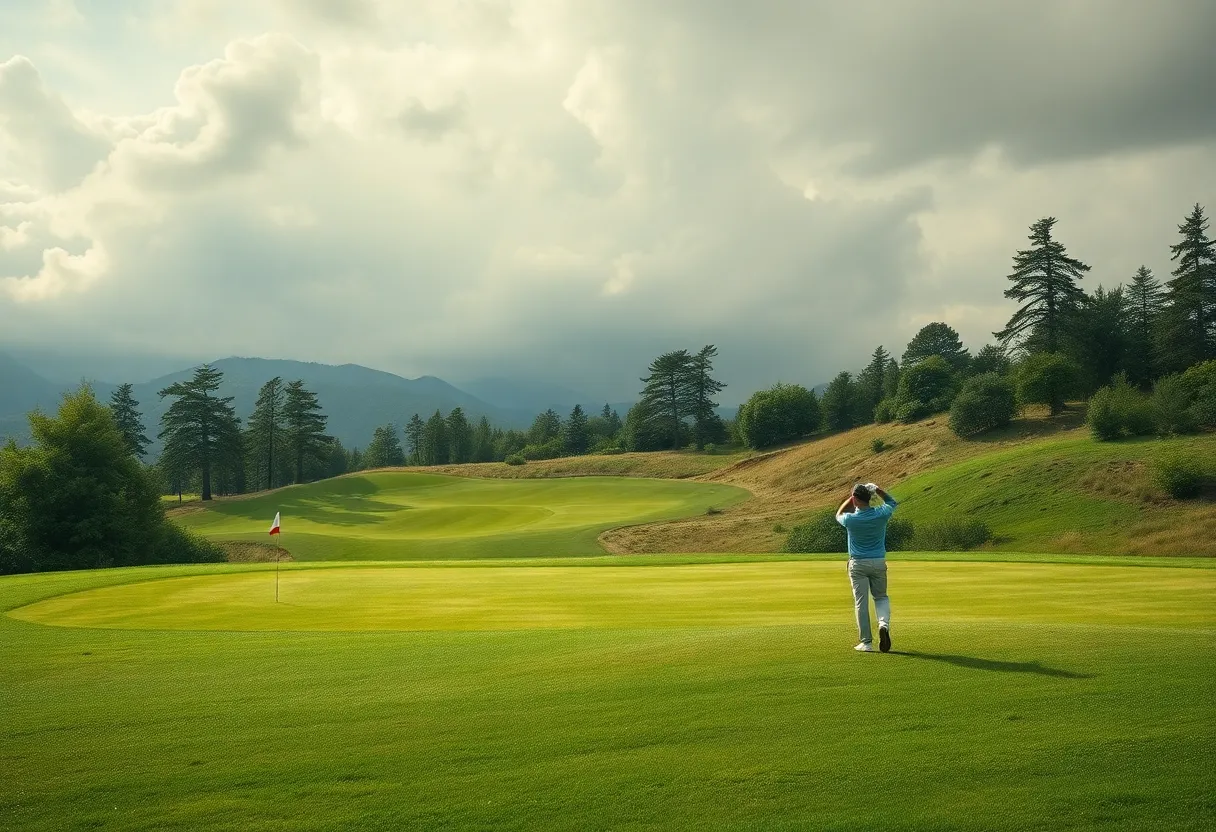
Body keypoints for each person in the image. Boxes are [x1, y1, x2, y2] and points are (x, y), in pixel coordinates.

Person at [835, 482, 898, 653]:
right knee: (881, 597)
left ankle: (866, 643)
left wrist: (851, 498)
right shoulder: (881, 514)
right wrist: (877, 490)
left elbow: (839, 514)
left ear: (855, 500)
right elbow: (892, 503)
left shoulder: (850, 520)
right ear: (870, 498)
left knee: (861, 603)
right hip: (878, 562)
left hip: (858, 564)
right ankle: (883, 624)